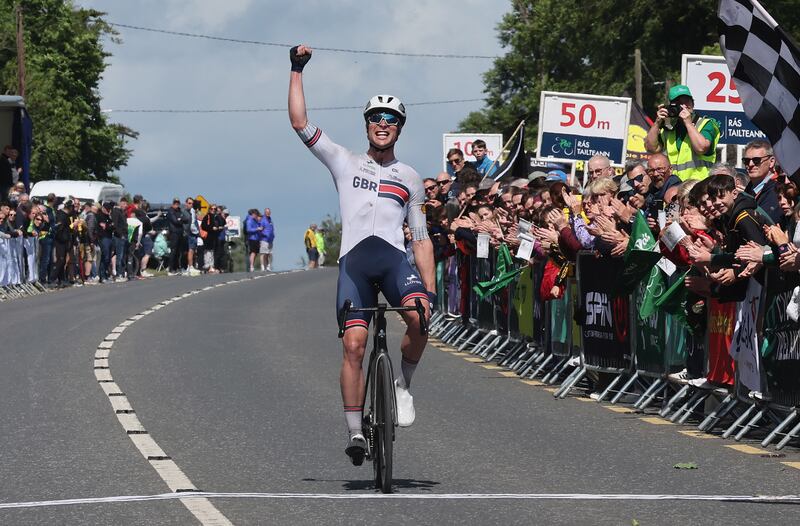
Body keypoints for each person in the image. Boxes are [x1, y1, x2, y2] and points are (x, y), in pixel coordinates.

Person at [289, 44, 435, 466]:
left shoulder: (410, 178)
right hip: (354, 264)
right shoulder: (344, 161)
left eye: (391, 119)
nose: (382, 124)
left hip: (393, 262)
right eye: (375, 118)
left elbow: (421, 238)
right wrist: (297, 69)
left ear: (400, 129)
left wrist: (429, 290)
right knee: (354, 346)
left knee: (420, 316)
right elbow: (299, 122)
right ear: (367, 125)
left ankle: (402, 385)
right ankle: (355, 429)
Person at [644, 84, 720, 181]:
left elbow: (701, 148)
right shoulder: (669, 128)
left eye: (687, 101)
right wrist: (657, 122)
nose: (684, 106)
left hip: (700, 184)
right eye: (679, 103)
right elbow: (651, 148)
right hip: (675, 184)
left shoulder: (705, 124)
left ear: (693, 104)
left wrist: (688, 123)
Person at [742, 139, 781, 224]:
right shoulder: (749, 189)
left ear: (771, 162)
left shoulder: (777, 190)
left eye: (756, 160)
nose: (750, 164)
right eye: (746, 161)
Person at [166, 198, 187, 275]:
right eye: (175, 203)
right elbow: (175, 221)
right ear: (173, 203)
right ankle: (170, 268)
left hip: (180, 233)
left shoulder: (179, 210)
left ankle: (176, 268)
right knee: (173, 251)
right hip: (174, 233)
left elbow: (186, 219)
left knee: (178, 252)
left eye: (178, 203)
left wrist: (180, 219)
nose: (176, 204)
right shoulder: (170, 211)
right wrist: (180, 220)